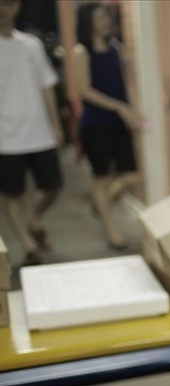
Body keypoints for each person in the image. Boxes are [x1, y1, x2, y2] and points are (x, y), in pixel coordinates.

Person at [73, 2, 144, 250]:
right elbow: (85, 91)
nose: (106, 21)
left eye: (107, 17)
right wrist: (118, 107)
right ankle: (111, 230)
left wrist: (131, 109)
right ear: (89, 22)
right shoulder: (82, 52)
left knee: (131, 176)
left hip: (119, 122)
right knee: (101, 178)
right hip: (96, 125)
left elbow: (122, 84)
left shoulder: (116, 47)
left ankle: (100, 203)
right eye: (100, 18)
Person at [0, 0, 64, 266]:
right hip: (6, 137)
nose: (2, 10)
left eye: (7, 4)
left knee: (52, 187)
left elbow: (46, 86)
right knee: (12, 195)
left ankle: (34, 220)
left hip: (39, 132)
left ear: (16, 7)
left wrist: (56, 125)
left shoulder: (31, 45)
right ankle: (29, 247)